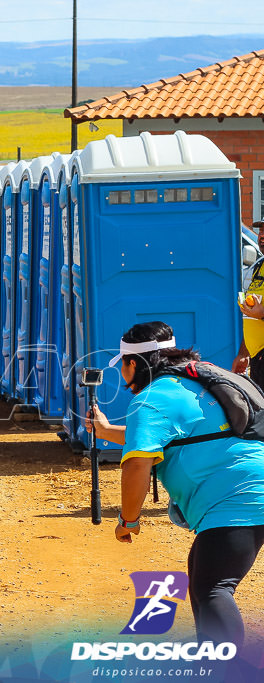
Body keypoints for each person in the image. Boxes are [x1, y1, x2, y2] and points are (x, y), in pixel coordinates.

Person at [87, 321, 264, 648]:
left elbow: (138, 463)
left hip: (237, 496)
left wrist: (128, 520)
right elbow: (166, 438)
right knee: (203, 576)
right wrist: (106, 431)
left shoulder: (151, 398)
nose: (122, 374)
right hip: (251, 486)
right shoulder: (192, 382)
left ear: (133, 364)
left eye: (123, 366)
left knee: (213, 586)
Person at [233, 220, 264, 388]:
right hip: (256, 356)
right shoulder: (258, 267)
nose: (262, 236)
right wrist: (243, 354)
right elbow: (250, 316)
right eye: (260, 232)